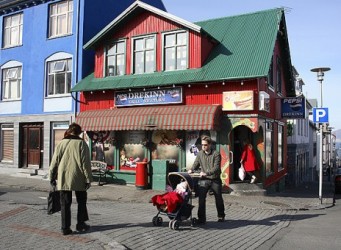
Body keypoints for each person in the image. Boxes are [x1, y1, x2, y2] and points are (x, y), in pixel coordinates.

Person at [49, 122, 93, 236]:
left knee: (65, 204)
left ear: (69, 131)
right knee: (81, 202)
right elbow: (85, 164)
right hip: (79, 178)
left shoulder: (61, 143)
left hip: (63, 177)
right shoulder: (82, 144)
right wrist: (88, 179)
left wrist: (51, 176)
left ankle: (65, 228)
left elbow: (54, 162)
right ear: (79, 132)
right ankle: (80, 224)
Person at [188, 136, 225, 223]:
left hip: (214, 179)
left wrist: (206, 173)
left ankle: (221, 216)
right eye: (202, 145)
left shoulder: (216, 154)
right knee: (201, 198)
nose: (203, 146)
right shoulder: (200, 153)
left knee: (218, 198)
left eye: (205, 145)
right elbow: (196, 164)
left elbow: (216, 167)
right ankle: (201, 219)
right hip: (204, 180)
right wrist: (191, 169)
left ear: (210, 144)